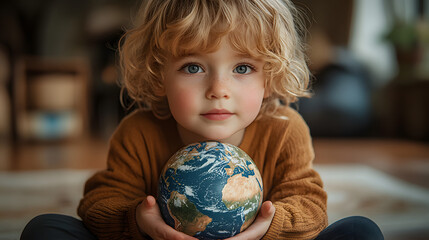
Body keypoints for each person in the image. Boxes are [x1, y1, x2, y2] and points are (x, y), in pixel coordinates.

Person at [21, 0, 384, 239]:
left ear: (269, 76)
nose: (218, 89)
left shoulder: (284, 130)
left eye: (243, 67)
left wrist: (266, 227)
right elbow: (99, 203)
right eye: (193, 67)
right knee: (45, 230)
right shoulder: (138, 133)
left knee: (360, 232)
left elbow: (310, 205)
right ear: (159, 74)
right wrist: (140, 221)